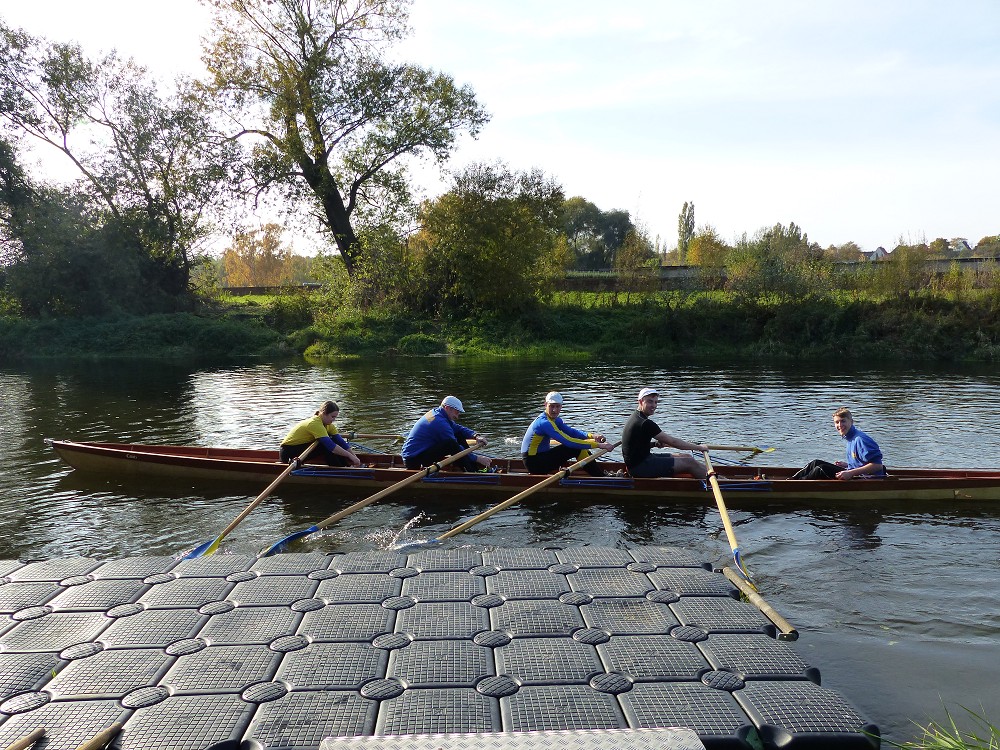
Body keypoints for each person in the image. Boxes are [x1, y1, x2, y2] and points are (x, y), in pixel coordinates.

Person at [520, 391, 613, 477]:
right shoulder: (544, 423)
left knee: (580, 446)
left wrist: (592, 436)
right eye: (551, 406)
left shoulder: (555, 420)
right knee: (575, 448)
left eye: (557, 406)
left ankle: (599, 473)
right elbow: (569, 442)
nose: (554, 410)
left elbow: (572, 432)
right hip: (534, 463)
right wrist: (599, 445)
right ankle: (601, 477)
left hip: (541, 457)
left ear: (561, 406)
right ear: (545, 405)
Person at [621, 388, 708, 478]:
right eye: (650, 402)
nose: (654, 405)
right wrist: (699, 447)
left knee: (687, 457)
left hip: (640, 462)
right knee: (690, 462)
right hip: (640, 467)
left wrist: (654, 444)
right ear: (640, 402)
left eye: (656, 402)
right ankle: (715, 482)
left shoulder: (635, 417)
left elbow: (635, 446)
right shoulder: (645, 423)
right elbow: (673, 442)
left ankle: (712, 476)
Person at [791, 407, 887, 480]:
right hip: (856, 474)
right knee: (815, 463)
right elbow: (861, 462)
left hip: (866, 479)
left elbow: (877, 466)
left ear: (851, 422)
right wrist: (847, 465)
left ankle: (793, 486)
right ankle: (791, 480)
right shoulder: (850, 437)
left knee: (821, 469)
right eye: (837, 422)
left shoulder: (861, 439)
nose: (840, 425)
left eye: (843, 421)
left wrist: (850, 473)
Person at [401, 396, 491, 472]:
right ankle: (471, 471)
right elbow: (455, 447)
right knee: (451, 444)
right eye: (456, 412)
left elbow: (457, 428)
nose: (457, 416)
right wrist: (477, 458)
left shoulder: (438, 413)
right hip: (414, 459)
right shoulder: (439, 422)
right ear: (447, 408)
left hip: (421, 452)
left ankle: (471, 467)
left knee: (459, 434)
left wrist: (476, 436)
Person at [280, 400, 361, 467]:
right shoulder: (314, 424)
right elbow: (331, 446)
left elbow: (341, 442)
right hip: (289, 452)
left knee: (333, 441)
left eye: (335, 417)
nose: (334, 420)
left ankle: (345, 466)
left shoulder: (328, 425)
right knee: (325, 445)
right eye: (332, 417)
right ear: (324, 413)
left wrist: (354, 457)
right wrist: (350, 456)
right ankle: (340, 469)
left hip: (302, 449)